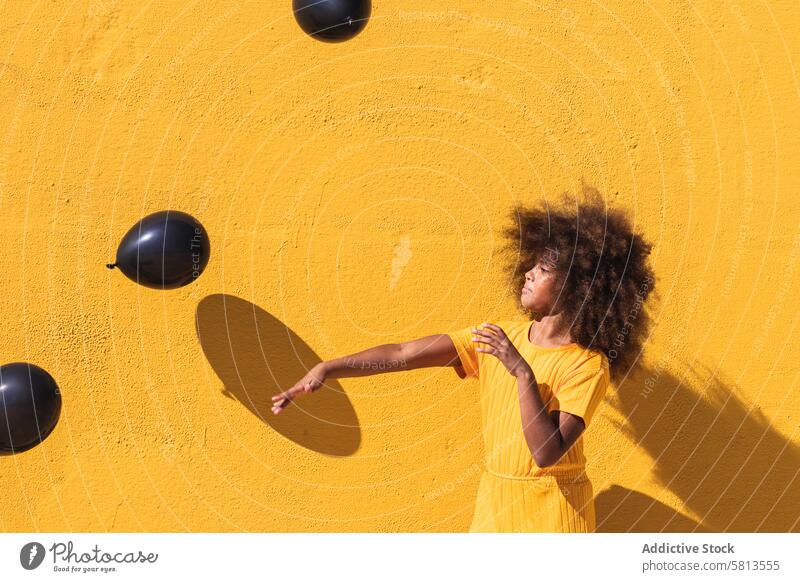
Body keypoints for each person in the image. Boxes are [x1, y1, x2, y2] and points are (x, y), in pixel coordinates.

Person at [271, 187, 655, 532]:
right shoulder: (499, 338)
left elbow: (546, 452)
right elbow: (404, 354)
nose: (528, 274)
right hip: (496, 508)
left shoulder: (587, 366)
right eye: (531, 264)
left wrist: (521, 372)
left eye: (543, 269)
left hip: (553, 516)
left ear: (578, 286)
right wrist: (329, 368)